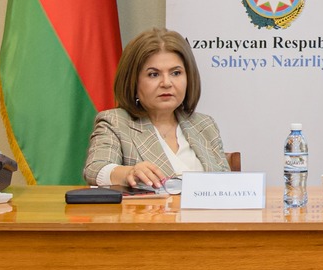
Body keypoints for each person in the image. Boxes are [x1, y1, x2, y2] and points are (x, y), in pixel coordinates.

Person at [84, 27, 230, 189]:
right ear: (133, 81)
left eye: (176, 73)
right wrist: (128, 173)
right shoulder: (116, 122)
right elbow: (95, 169)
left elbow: (227, 186)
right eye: (154, 74)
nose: (166, 83)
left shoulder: (204, 124)